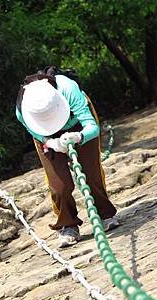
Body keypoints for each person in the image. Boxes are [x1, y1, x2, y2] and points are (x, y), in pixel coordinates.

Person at [15, 68, 119, 248]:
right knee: (59, 185)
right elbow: (34, 132)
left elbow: (91, 127)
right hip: (45, 136)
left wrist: (79, 137)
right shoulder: (22, 109)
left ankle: (105, 214)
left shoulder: (69, 90)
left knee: (90, 172)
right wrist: (50, 142)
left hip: (79, 125)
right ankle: (67, 225)